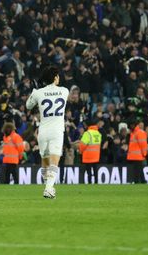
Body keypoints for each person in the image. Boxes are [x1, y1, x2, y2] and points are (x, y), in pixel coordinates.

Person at [25, 66, 75, 199]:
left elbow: (28, 106)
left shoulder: (38, 93)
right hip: (57, 131)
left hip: (43, 131)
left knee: (45, 162)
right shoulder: (64, 91)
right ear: (55, 78)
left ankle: (48, 188)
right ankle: (48, 188)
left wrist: (35, 90)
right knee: (54, 161)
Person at [78, 118, 102, 184]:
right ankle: (96, 182)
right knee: (95, 170)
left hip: (88, 155)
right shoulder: (98, 133)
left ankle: (89, 182)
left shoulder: (87, 133)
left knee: (89, 171)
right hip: (96, 155)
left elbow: (82, 145)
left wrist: (80, 152)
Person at [126, 118, 148, 184]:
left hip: (138, 156)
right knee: (139, 169)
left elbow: (143, 144)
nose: (130, 127)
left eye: (131, 125)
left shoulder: (139, 132)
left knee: (137, 170)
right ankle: (143, 181)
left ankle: (137, 182)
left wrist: (144, 154)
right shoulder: (134, 133)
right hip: (135, 155)